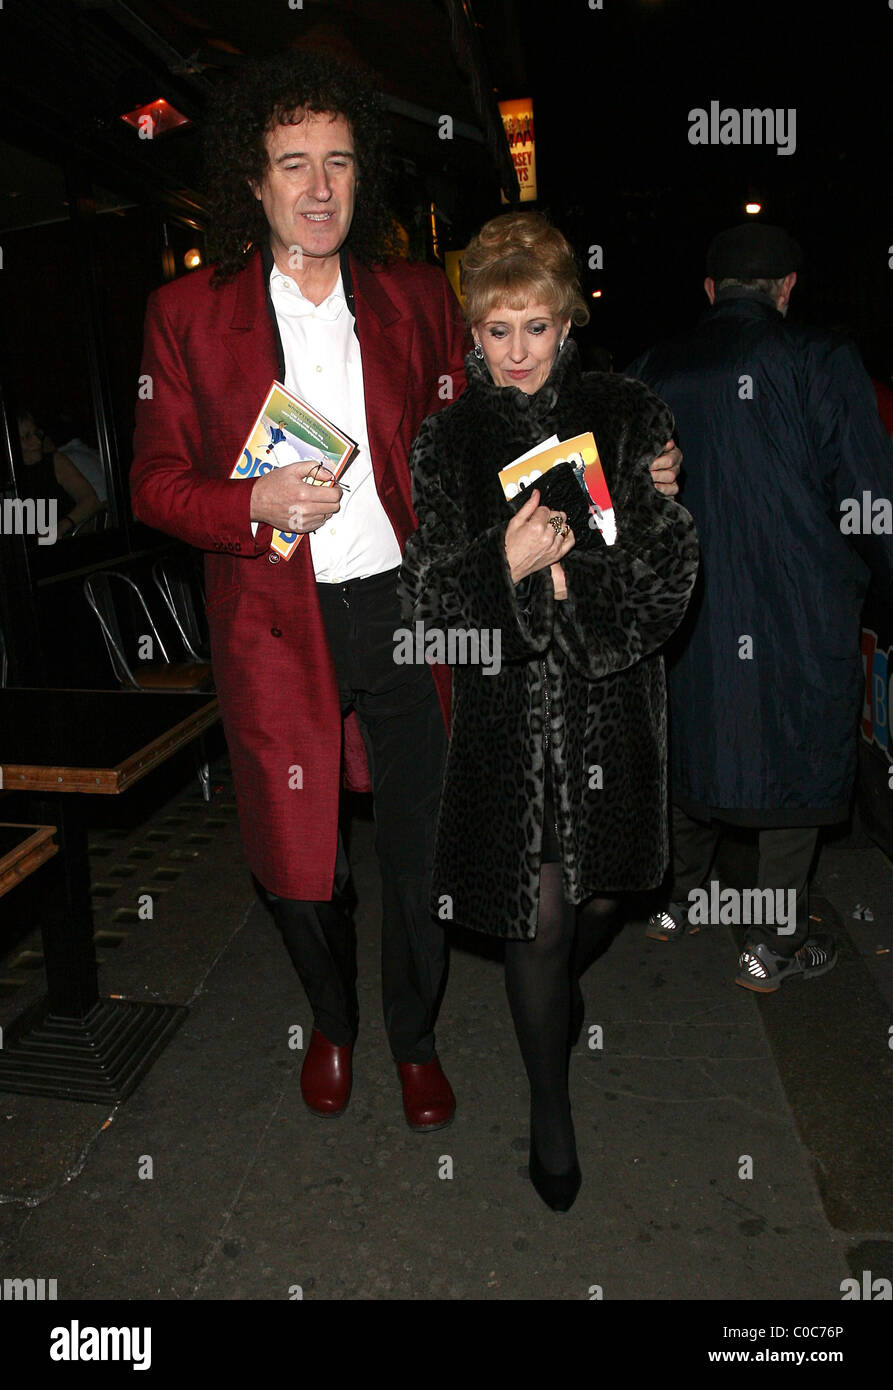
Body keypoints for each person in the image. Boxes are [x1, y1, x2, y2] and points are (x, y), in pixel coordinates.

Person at [131, 51, 682, 1135]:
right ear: (254, 180)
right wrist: (250, 501)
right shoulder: (187, 314)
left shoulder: (414, 296)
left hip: (405, 605)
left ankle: (412, 1034)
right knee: (297, 867)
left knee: (422, 845)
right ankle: (330, 1018)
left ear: (359, 174)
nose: (320, 186)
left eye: (337, 161)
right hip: (273, 617)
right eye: (294, 164)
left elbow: (518, 389)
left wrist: (639, 456)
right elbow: (151, 482)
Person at [399, 212, 698, 1210]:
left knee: (605, 895)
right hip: (507, 719)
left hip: (613, 710)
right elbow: (431, 603)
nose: (517, 352)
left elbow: (667, 580)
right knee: (535, 911)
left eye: (534, 327)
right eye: (496, 330)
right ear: (471, 334)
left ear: (567, 322)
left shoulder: (627, 412)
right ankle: (548, 1106)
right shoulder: (445, 442)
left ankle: (562, 986)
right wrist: (506, 571)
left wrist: (578, 589)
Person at [627, 223, 893, 991]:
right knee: (792, 755)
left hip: (687, 605)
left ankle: (677, 900)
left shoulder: (651, 365)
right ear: (785, 288)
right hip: (795, 605)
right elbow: (868, 497)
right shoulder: (819, 359)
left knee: (690, 734)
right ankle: (773, 940)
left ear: (709, 293)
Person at [17, 410, 102, 539]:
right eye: (27, 436)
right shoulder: (9, 480)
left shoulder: (55, 461)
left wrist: (61, 527)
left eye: (36, 433)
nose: (38, 441)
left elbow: (91, 500)